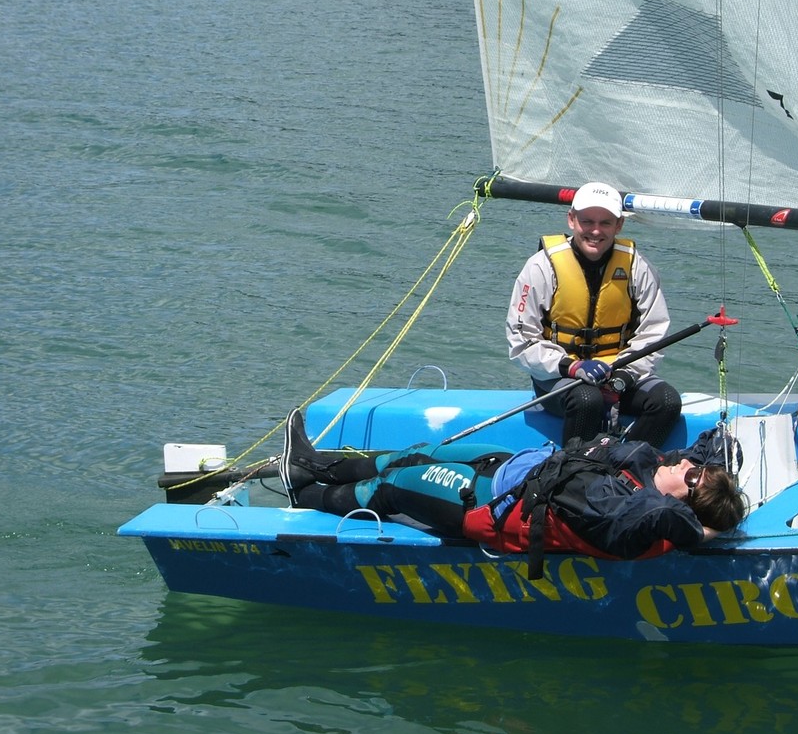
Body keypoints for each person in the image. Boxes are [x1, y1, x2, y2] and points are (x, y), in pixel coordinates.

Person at [278, 408, 745, 576]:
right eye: (693, 467)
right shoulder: (652, 467)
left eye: (691, 477)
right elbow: (707, 452)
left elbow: (679, 527)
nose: (686, 465)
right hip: (515, 466)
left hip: (489, 504)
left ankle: (307, 493)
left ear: (677, 501)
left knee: (396, 486)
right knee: (425, 452)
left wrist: (705, 529)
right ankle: (313, 463)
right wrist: (712, 464)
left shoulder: (632, 516)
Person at [506, 181, 682, 449]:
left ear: (619, 225)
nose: (596, 231)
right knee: (588, 399)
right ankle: (575, 475)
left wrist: (625, 373)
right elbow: (520, 340)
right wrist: (571, 366)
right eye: (587, 221)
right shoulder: (540, 267)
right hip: (559, 376)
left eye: (606, 223)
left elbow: (654, 332)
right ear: (571, 220)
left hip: (620, 372)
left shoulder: (639, 267)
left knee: (667, 401)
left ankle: (624, 470)